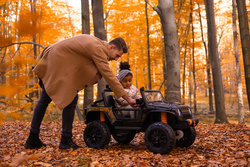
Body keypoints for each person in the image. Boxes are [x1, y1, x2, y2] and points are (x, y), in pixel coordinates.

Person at [24, 34, 137, 150]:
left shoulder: (98, 45)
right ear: (111, 47)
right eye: (117, 55)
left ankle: (34, 139)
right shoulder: (98, 49)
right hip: (56, 60)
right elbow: (108, 74)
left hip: (55, 59)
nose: (116, 59)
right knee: (65, 99)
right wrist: (128, 99)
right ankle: (65, 141)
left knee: (47, 99)